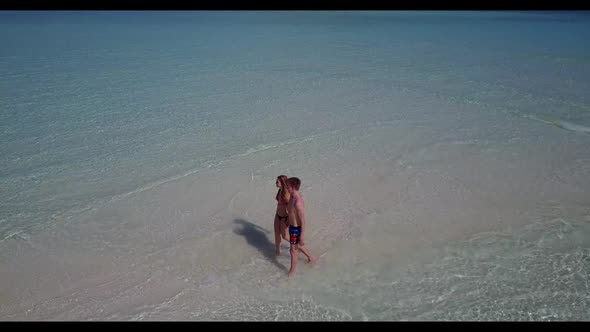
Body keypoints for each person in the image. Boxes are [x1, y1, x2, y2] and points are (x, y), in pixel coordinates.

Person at [286, 177, 316, 278]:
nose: (286, 187)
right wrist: (287, 221)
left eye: (288, 186)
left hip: (296, 229)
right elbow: (290, 212)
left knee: (293, 250)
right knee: (296, 246)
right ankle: (311, 258)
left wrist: (302, 236)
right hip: (291, 226)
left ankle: (292, 272)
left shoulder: (298, 202)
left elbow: (303, 221)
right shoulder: (292, 196)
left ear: (293, 187)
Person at [274, 175, 290, 256]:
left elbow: (291, 209)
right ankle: (277, 251)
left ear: (283, 183)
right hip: (277, 215)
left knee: (285, 237)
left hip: (284, 218)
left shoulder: (286, 194)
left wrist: (288, 220)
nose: (276, 183)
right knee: (276, 233)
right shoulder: (280, 190)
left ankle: (297, 246)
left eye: (277, 181)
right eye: (276, 181)